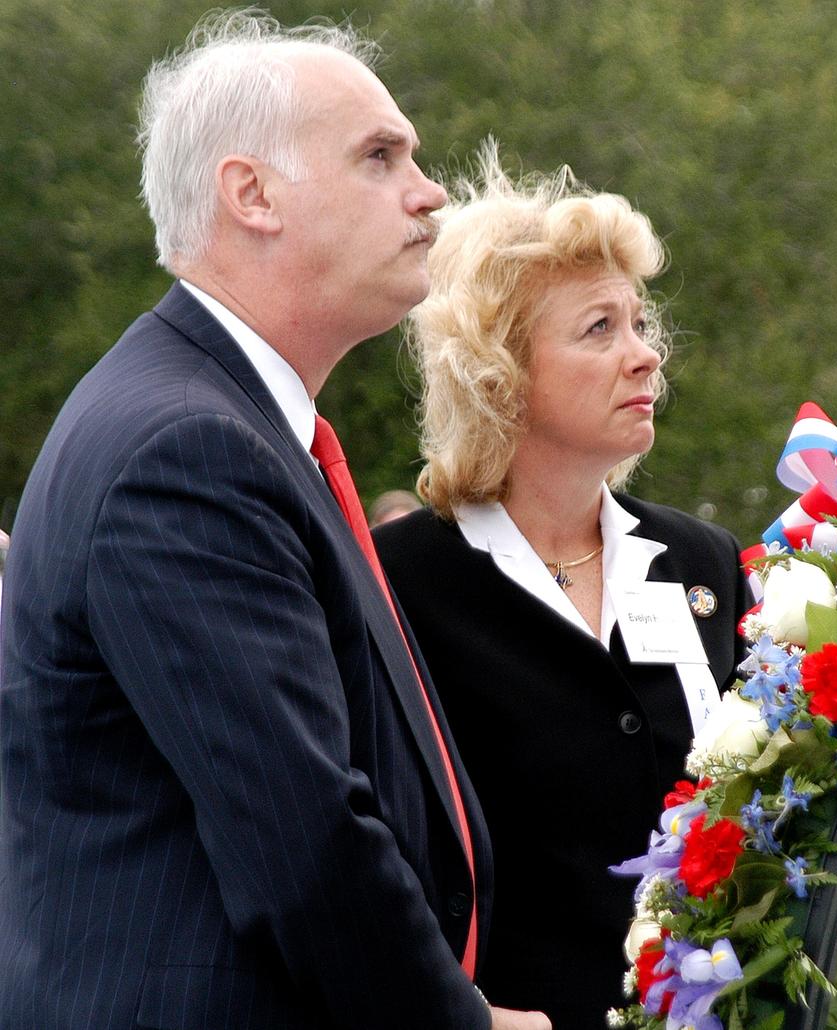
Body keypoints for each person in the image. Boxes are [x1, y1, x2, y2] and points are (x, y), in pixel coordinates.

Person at [0, 13, 547, 1030]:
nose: (429, 194)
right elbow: (300, 833)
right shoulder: (184, 451)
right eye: (380, 158)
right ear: (250, 195)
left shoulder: (217, 423)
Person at [374, 148, 749, 1026]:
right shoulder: (399, 587)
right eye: (599, 329)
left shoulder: (705, 563)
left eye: (639, 322)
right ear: (499, 374)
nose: (646, 357)